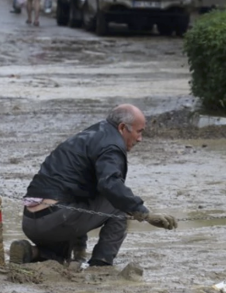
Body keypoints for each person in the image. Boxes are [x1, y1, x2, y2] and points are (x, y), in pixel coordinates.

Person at [11, 104, 178, 267]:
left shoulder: (88, 136)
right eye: (139, 131)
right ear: (122, 127)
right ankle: (101, 264)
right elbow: (111, 186)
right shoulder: (111, 145)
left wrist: (79, 248)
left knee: (59, 258)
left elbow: (81, 189)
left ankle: (31, 252)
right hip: (56, 219)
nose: (140, 139)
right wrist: (144, 214)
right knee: (118, 204)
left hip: (31, 221)